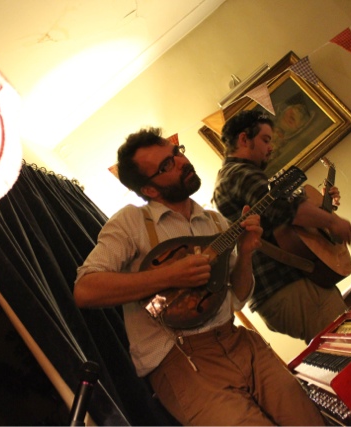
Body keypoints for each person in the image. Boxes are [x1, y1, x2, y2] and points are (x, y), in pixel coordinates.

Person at [74, 127, 324, 426]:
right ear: (150, 190)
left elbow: (237, 298)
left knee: (308, 420)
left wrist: (245, 253)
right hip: (182, 361)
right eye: (167, 165)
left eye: (176, 153)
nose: (182, 162)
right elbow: (85, 290)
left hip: (240, 342)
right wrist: (169, 275)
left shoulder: (215, 221)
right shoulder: (131, 222)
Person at [212, 110, 351, 344]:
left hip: (289, 286)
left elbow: (282, 219)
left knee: (345, 345)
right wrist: (331, 221)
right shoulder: (239, 174)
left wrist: (321, 207)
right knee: (348, 346)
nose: (270, 148)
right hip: (286, 286)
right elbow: (284, 210)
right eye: (265, 140)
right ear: (244, 139)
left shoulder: (234, 176)